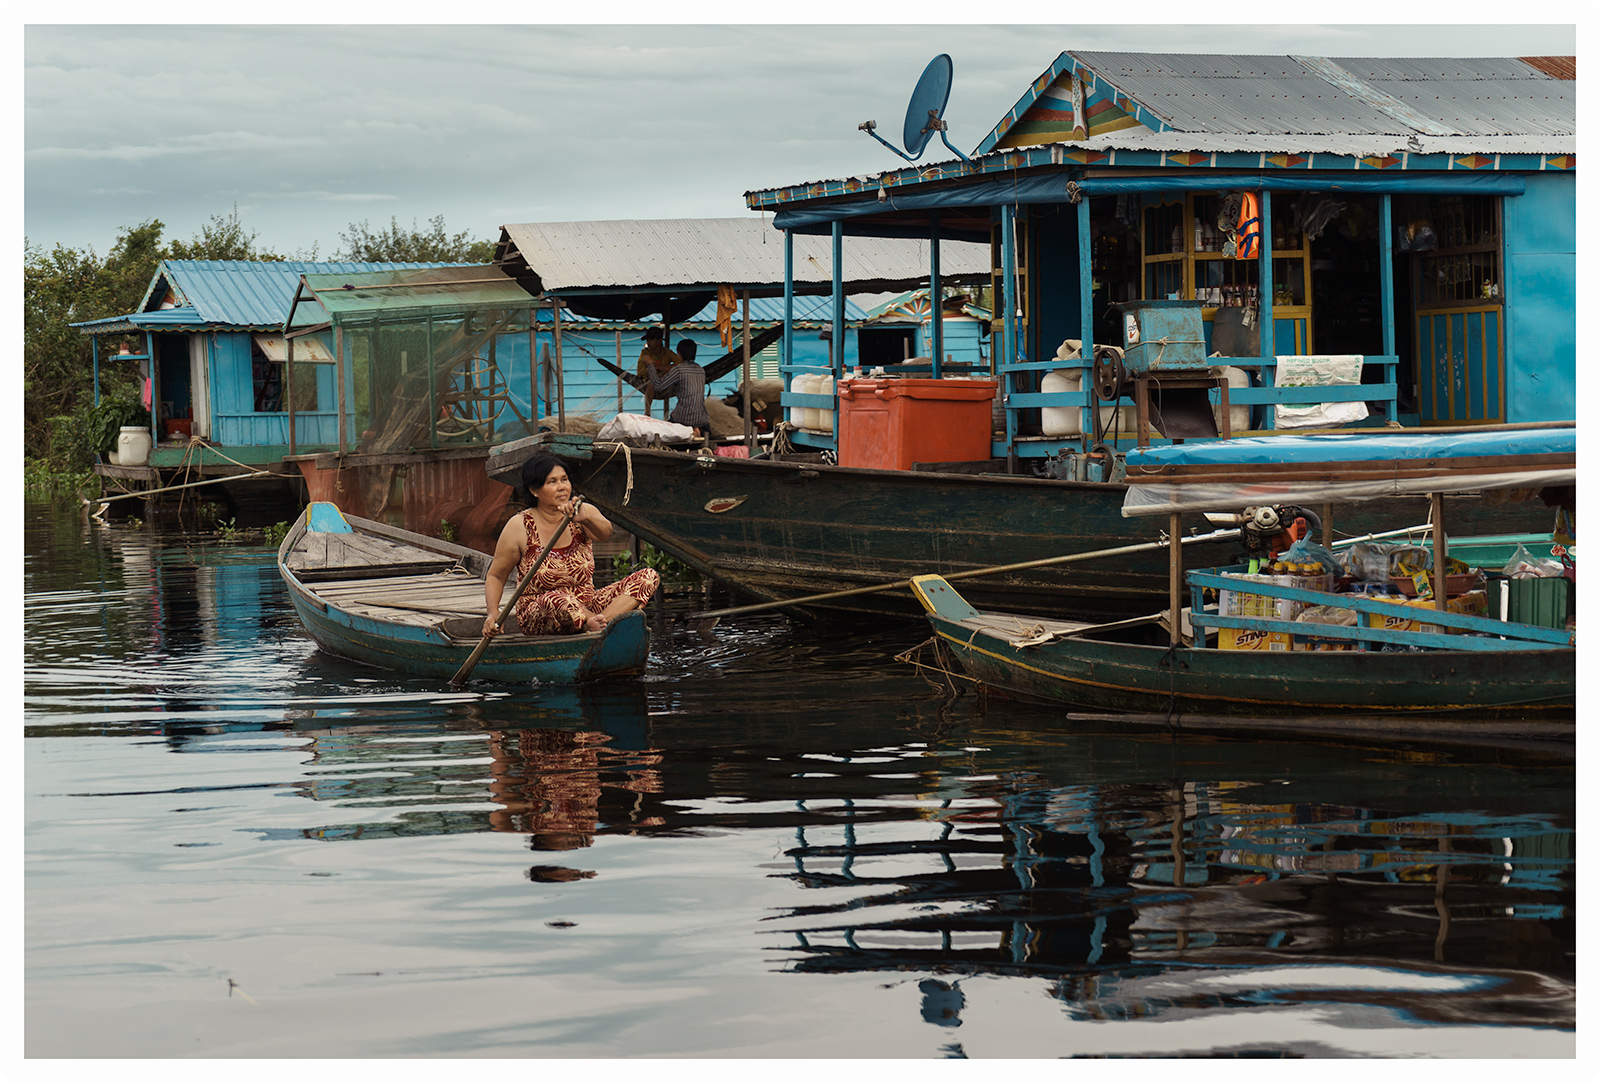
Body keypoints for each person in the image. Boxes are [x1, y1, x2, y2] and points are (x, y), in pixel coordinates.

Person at [481, 454, 660, 637]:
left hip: (588, 605)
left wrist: (586, 519)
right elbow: (496, 575)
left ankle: (599, 625)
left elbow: (605, 533)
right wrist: (492, 613)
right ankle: (595, 625)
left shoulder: (582, 511)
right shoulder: (519, 526)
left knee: (648, 577)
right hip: (544, 609)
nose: (562, 487)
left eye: (564, 479)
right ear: (535, 490)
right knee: (559, 598)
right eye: (552, 482)